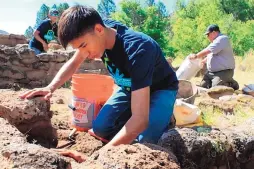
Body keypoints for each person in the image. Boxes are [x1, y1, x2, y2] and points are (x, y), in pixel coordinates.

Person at [20, 5, 178, 162]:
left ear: (99, 30)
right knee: (100, 128)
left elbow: (140, 120)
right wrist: (50, 87)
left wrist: (98, 158)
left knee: (144, 141)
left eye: (83, 46)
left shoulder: (138, 49)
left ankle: (163, 117)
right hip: (130, 88)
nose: (85, 54)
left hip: (160, 89)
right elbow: (74, 63)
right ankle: (142, 111)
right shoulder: (96, 30)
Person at [189, 24, 239, 90]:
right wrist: (204, 60)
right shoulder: (215, 42)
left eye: (208, 34)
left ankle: (232, 83)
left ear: (214, 33)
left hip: (223, 72)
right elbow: (212, 53)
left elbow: (208, 50)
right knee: (202, 86)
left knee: (216, 88)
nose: (207, 37)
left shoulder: (223, 39)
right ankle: (223, 81)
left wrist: (196, 56)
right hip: (211, 73)